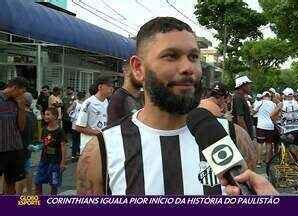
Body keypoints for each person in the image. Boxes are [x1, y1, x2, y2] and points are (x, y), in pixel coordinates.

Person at [76, 17, 275, 195]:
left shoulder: (233, 138)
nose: (188, 68)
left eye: (194, 57)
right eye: (171, 56)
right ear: (138, 68)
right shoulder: (101, 151)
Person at [0, 77, 27, 194]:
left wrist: (21, 107)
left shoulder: (17, 102)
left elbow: (21, 127)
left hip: (15, 148)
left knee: (12, 183)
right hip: (1, 148)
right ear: (15, 88)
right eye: (22, 92)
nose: (22, 95)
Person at [75, 76, 114, 154]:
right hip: (89, 147)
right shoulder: (88, 103)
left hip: (103, 145)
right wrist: (100, 133)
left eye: (112, 86)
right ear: (100, 87)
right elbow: (78, 127)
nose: (112, 89)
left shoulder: (107, 102)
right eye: (109, 86)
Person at [35, 108, 66, 195]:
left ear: (55, 116)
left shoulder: (60, 131)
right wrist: (37, 147)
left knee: (54, 184)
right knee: (37, 182)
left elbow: (63, 147)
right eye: (45, 114)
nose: (45, 116)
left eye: (48, 114)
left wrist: (63, 163)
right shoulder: (44, 129)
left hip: (55, 163)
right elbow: (45, 143)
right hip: (44, 161)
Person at [271, 87, 298, 160]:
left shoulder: (281, 104)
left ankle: (293, 161)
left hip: (287, 130)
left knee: (288, 146)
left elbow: (271, 115)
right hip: (297, 129)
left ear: (284, 95)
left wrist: (276, 122)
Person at [15, 92, 37, 194]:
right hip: (28, 145)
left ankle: (19, 195)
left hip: (21, 146)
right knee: (27, 169)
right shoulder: (32, 115)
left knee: (21, 172)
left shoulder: (23, 115)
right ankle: (28, 193)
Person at [254, 91, 276, 164]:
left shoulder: (260, 102)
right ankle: (267, 160)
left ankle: (259, 161)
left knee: (260, 143)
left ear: (263, 96)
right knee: (269, 144)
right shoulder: (273, 104)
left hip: (261, 125)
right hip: (270, 126)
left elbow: (254, 111)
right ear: (269, 97)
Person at [67, 91, 86, 161]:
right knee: (80, 139)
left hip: (75, 124)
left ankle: (73, 155)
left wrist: (73, 114)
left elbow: (68, 110)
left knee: (75, 140)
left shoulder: (75, 103)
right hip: (82, 124)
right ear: (83, 97)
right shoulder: (85, 103)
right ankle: (79, 153)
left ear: (77, 96)